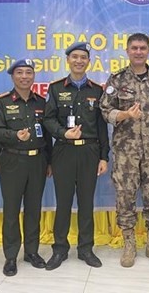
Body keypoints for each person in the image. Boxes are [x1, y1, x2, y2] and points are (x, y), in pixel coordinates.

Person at [99, 33, 149, 268]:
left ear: (148, 51)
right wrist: (124, 115)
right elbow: (105, 110)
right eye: (134, 48)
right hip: (125, 152)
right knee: (125, 197)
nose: (138, 52)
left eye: (142, 48)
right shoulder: (117, 80)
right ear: (128, 51)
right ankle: (129, 242)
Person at [44, 42, 109, 270]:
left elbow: (102, 127)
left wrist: (104, 157)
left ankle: (85, 248)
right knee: (63, 203)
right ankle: (60, 249)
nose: (79, 61)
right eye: (75, 57)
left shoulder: (97, 90)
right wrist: (64, 133)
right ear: (68, 60)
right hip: (63, 150)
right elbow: (48, 119)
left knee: (86, 202)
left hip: (90, 152)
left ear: (88, 62)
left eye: (83, 57)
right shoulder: (55, 88)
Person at [0, 59, 52, 276]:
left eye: (29, 72)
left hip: (37, 161)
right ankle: (10, 256)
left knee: (33, 208)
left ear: (33, 76)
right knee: (11, 210)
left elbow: (48, 136)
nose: (25, 76)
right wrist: (14, 135)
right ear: (13, 76)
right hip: (12, 161)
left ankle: (32, 252)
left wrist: (50, 162)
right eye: (20, 72)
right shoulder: (2, 102)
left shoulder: (42, 102)